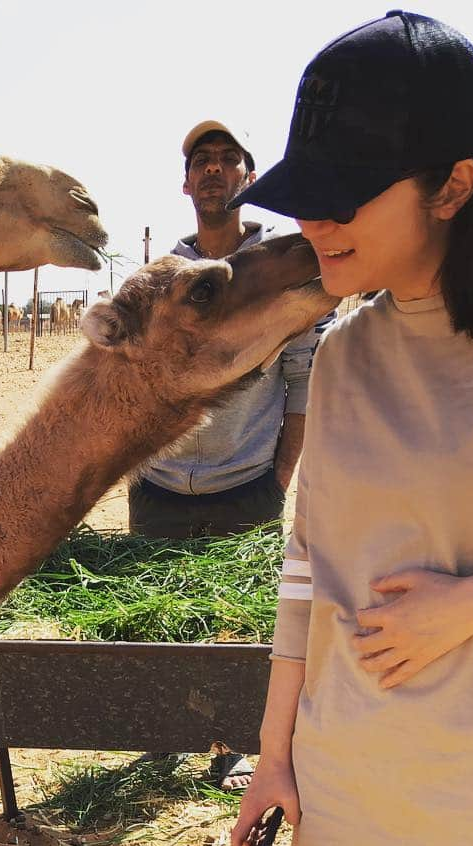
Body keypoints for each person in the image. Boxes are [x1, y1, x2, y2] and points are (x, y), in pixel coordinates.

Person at [227, 13, 473, 846]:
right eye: (307, 193)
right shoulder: (340, 355)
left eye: (345, 192)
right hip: (347, 762)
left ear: (454, 183)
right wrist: (276, 750)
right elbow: (307, 571)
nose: (314, 221)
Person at [127, 120, 326, 544]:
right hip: (157, 491)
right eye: (202, 161)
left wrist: (278, 479)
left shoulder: (281, 275)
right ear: (187, 183)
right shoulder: (160, 282)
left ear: (250, 179)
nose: (214, 169)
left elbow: (303, 379)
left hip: (248, 489)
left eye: (228, 160)